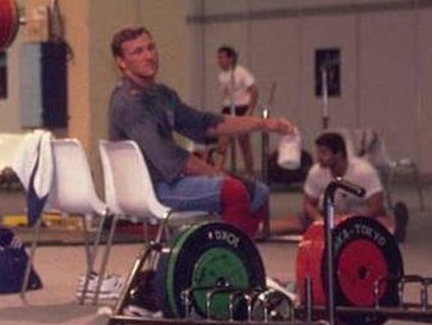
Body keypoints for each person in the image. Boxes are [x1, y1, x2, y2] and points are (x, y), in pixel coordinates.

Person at [108, 27, 294, 241]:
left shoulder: (161, 95)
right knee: (235, 191)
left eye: (150, 48)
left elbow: (205, 124)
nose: (149, 56)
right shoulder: (130, 104)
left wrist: (263, 124)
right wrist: (220, 175)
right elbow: (172, 159)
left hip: (166, 181)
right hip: (152, 187)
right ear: (121, 62)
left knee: (258, 192)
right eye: (138, 52)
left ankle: (232, 254)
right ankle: (226, 257)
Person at [301, 131, 408, 244]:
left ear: (339, 154)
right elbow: (308, 204)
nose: (318, 158)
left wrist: (351, 221)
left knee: (384, 230)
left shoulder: (364, 171)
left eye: (323, 153)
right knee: (299, 223)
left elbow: (377, 207)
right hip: (333, 216)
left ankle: (397, 220)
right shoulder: (316, 172)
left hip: (363, 216)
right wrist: (320, 220)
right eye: (318, 152)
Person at [214, 45, 259, 173]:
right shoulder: (222, 75)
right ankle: (217, 171)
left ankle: (249, 173)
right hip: (228, 109)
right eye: (218, 58)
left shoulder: (241, 72)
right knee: (222, 142)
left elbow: (254, 90)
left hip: (241, 109)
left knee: (244, 144)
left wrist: (250, 110)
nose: (219, 60)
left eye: (222, 57)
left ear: (230, 58)